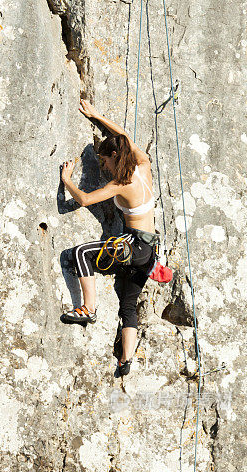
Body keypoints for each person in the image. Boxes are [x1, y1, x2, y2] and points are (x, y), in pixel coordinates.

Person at [60, 100, 159, 376]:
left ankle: (88, 308)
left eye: (105, 160)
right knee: (128, 304)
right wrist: (96, 116)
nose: (103, 166)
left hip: (133, 245)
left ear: (115, 155)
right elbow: (125, 137)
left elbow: (86, 199)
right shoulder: (143, 166)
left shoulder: (122, 183)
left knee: (81, 254)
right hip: (149, 252)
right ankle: (126, 360)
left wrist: (67, 180)